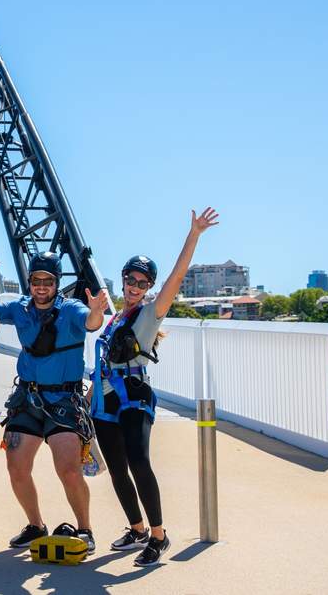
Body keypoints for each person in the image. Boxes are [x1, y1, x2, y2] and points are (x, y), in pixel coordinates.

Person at [92, 207, 219, 567]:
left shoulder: (150, 313)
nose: (135, 287)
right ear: (123, 280)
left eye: (142, 283)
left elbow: (176, 278)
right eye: (130, 280)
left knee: (138, 461)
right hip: (104, 400)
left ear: (149, 287)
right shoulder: (115, 319)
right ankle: (137, 529)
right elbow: (103, 365)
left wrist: (193, 234)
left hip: (133, 396)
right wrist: (88, 400)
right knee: (117, 469)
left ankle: (159, 536)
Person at [0, 251, 107, 554]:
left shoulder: (71, 309)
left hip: (64, 401)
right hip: (28, 399)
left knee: (68, 470)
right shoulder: (19, 308)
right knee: (16, 467)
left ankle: (85, 530)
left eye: (48, 281)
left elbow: (91, 323)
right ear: (29, 282)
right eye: (37, 280)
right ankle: (36, 526)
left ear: (57, 283)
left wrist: (96, 311)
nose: (42, 286)